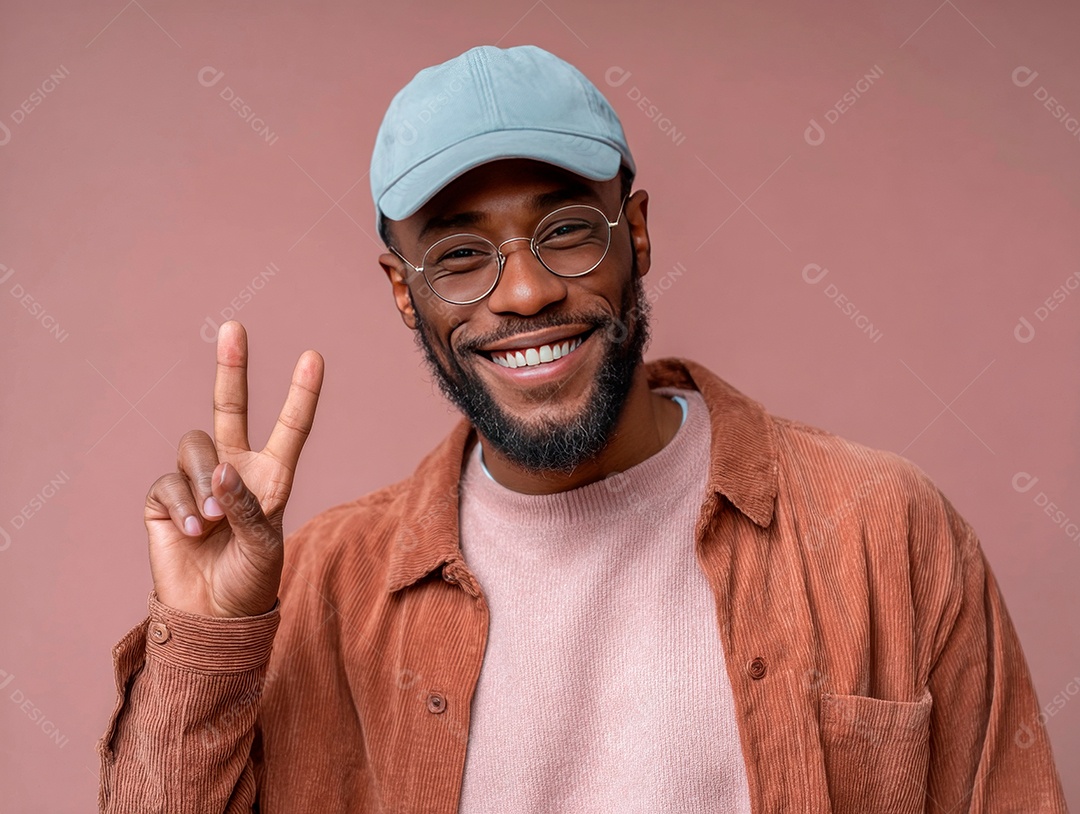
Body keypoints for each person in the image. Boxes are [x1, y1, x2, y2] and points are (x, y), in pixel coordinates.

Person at [97, 44, 1067, 813]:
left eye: (565, 229)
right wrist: (205, 637)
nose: (524, 292)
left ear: (635, 231)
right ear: (405, 292)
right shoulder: (322, 594)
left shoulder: (883, 532)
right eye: (461, 254)